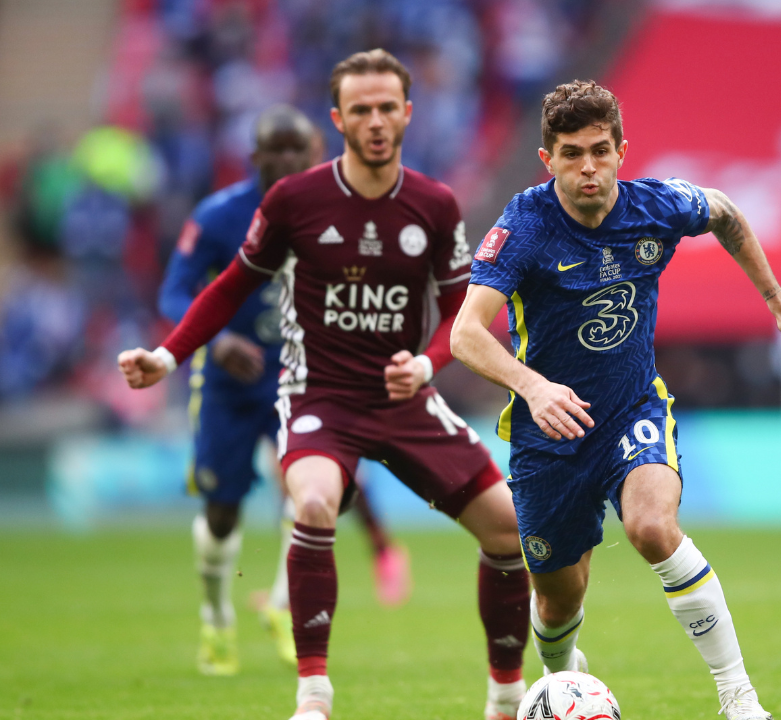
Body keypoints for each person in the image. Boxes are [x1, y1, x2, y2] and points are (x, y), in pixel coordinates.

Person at [119, 50, 530, 720]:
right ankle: (313, 698)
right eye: (360, 109)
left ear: (407, 114)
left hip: (407, 401)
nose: (375, 121)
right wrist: (168, 358)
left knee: (511, 531)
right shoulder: (294, 201)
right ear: (338, 119)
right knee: (311, 504)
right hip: (320, 398)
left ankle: (507, 698)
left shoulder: (434, 205)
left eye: (386, 107)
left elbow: (463, 313)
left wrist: (426, 364)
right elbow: (229, 288)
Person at [451, 80, 781, 720]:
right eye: (572, 154)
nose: (589, 168)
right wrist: (535, 386)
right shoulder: (522, 227)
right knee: (556, 602)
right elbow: (465, 334)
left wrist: (779, 304)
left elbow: (726, 213)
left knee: (653, 527)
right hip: (550, 434)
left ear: (622, 150)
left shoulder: (656, 207)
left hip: (634, 408)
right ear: (547, 160)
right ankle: (564, 683)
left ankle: (740, 701)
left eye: (600, 150)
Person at [158, 105, 414, 676]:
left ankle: (278, 605)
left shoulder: (338, 212)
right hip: (228, 382)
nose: (288, 161)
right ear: (255, 158)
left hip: (301, 380)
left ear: (315, 152)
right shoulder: (219, 216)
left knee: (308, 492)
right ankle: (217, 613)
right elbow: (174, 292)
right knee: (222, 512)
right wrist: (217, 340)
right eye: (275, 151)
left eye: (298, 151)